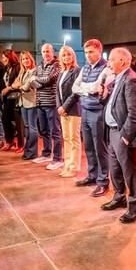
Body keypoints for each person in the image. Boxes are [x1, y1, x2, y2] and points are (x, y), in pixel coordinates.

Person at [101, 47, 136, 223]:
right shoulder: (117, 79)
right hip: (112, 131)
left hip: (122, 133)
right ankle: (119, 196)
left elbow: (135, 113)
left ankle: (135, 208)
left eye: (112, 59)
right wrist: (103, 92)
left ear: (123, 61)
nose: (109, 62)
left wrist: (125, 136)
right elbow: (111, 104)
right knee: (115, 168)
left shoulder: (131, 80)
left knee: (129, 171)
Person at [71, 39, 111, 196]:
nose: (88, 55)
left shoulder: (106, 67)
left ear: (99, 51)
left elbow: (96, 88)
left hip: (97, 111)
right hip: (85, 110)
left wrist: (85, 89)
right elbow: (75, 87)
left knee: (99, 147)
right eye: (86, 52)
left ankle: (103, 181)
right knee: (88, 146)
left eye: (91, 52)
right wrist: (88, 90)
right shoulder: (86, 67)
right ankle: (92, 175)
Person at [31, 43, 63, 169]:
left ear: (52, 51)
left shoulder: (57, 65)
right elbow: (33, 82)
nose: (46, 54)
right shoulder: (39, 66)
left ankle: (57, 158)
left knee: (55, 131)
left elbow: (50, 79)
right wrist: (38, 80)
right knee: (44, 130)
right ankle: (46, 153)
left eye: (48, 51)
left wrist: (37, 79)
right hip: (40, 102)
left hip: (51, 103)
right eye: (44, 51)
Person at [56, 46, 81, 177]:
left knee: (73, 138)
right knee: (66, 138)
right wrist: (59, 107)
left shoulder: (77, 71)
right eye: (64, 55)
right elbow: (57, 92)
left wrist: (64, 107)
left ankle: (74, 167)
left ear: (73, 56)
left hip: (73, 109)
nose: (66, 57)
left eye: (69, 55)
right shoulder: (61, 72)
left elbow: (75, 92)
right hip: (63, 110)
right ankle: (66, 165)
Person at [11, 51, 38, 160]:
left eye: (27, 58)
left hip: (32, 102)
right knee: (26, 128)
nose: (25, 61)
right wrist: (20, 86)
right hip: (23, 102)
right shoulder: (22, 72)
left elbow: (26, 87)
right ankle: (28, 150)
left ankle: (32, 152)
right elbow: (13, 84)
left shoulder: (34, 71)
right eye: (23, 59)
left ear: (31, 59)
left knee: (32, 128)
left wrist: (20, 86)